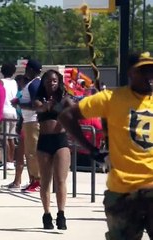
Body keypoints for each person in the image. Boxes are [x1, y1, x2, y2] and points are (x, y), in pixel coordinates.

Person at [59, 52, 153, 239]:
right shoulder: (110, 98)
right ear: (130, 73)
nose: (149, 75)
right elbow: (66, 116)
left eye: (152, 70)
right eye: (142, 71)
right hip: (123, 191)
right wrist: (92, 149)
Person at [34, 70, 71, 230]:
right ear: (44, 82)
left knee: (61, 180)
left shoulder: (64, 98)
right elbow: (40, 109)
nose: (52, 83)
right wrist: (47, 105)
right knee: (45, 181)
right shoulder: (38, 99)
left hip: (60, 141)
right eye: (48, 80)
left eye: (55, 80)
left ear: (59, 82)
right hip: (44, 141)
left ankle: (61, 213)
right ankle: (47, 213)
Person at [19, 59, 42, 192]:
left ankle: (38, 180)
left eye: (27, 69)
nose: (25, 71)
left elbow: (35, 105)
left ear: (32, 70)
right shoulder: (33, 84)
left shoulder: (34, 85)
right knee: (29, 152)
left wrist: (19, 104)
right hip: (28, 121)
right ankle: (33, 179)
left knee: (32, 152)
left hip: (33, 122)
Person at [0, 63, 18, 170]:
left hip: (4, 110)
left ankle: (7, 161)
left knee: (4, 138)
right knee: (11, 138)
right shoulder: (14, 82)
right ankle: (11, 161)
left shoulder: (1, 82)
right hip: (13, 111)